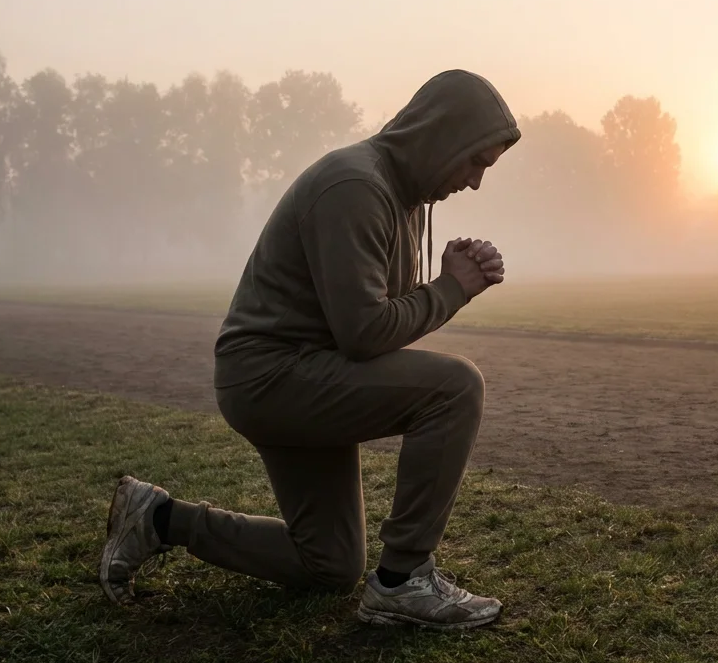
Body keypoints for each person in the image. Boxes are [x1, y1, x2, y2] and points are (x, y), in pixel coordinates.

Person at [99, 70, 521, 631]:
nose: (474, 182)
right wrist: (451, 289)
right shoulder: (356, 187)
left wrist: (445, 282)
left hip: (305, 373)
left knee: (329, 564)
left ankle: (157, 518)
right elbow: (366, 333)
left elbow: (373, 326)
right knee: (456, 387)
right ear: (440, 137)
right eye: (476, 162)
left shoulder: (404, 197)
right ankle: (403, 580)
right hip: (272, 376)